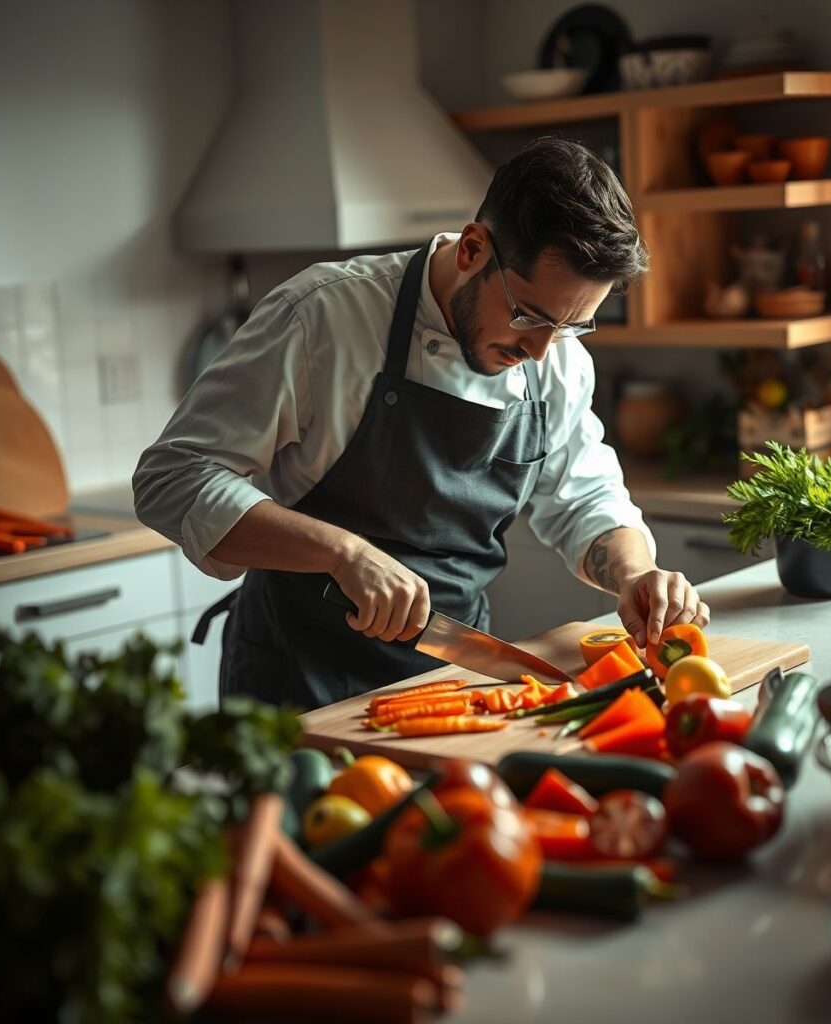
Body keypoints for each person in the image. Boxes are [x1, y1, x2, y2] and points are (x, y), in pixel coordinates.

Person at [134, 137, 710, 710]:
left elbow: (583, 498)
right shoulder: (323, 317)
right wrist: (343, 552)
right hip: (295, 683)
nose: (540, 350)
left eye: (570, 327)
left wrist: (635, 574)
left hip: (452, 682)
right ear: (473, 249)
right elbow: (173, 476)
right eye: (528, 316)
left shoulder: (557, 362)